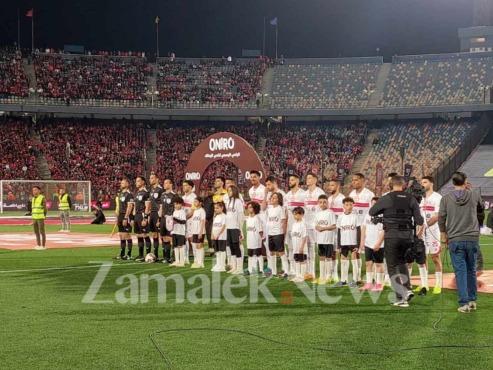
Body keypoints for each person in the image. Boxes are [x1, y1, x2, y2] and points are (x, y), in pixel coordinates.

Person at [369, 175, 423, 308]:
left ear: (391, 185)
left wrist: (386, 213)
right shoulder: (411, 199)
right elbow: (420, 220)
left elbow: (372, 211)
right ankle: (408, 288)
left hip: (392, 235)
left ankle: (400, 295)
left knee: (392, 266)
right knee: (402, 261)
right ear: (404, 186)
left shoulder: (387, 197)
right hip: (407, 236)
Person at [438, 172, 482, 313]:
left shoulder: (446, 198)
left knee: (460, 271)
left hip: (455, 238)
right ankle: (472, 300)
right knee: (471, 270)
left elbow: (441, 219)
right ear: (465, 181)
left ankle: (464, 303)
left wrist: (444, 236)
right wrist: (470, 190)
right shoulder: (474, 195)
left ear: (453, 182)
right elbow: (480, 209)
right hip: (472, 238)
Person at [413, 176, 443, 295]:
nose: (422, 184)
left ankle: (438, 284)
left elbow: (437, 216)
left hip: (433, 230)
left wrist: (424, 226)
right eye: (421, 182)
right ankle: (424, 284)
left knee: (435, 257)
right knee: (421, 257)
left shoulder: (437, 197)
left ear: (432, 183)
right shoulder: (419, 198)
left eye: (425, 182)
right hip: (421, 231)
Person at [349, 173, 375, 283]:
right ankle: (356, 277)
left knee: (369, 252)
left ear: (362, 180)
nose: (353, 182)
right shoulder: (351, 194)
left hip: (365, 228)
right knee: (354, 252)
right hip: (354, 228)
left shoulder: (369, 194)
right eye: (353, 180)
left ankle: (372, 276)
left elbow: (373, 212)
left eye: (356, 180)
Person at [359, 197, 385, 291]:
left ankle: (379, 284)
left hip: (379, 244)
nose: (374, 205)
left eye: (376, 203)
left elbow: (384, 230)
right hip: (368, 243)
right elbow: (364, 228)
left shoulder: (383, 215)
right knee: (368, 263)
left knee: (379, 264)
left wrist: (378, 243)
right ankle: (369, 283)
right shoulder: (368, 214)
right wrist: (362, 242)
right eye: (373, 203)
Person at [303, 172, 326, 279]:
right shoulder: (305, 193)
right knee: (309, 248)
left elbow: (323, 208)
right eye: (307, 178)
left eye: (310, 178)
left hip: (317, 225)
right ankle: (310, 272)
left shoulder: (319, 192)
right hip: (307, 225)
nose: (307, 179)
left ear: (315, 180)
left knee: (320, 248)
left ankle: (325, 272)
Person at [335, 197, 361, 287]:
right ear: (344, 205)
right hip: (343, 242)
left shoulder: (355, 217)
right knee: (343, 261)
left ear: (353, 205)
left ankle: (355, 280)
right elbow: (338, 232)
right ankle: (343, 280)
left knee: (354, 260)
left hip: (353, 242)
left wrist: (357, 244)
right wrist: (338, 245)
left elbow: (358, 231)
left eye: (351, 205)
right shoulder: (340, 217)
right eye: (347, 205)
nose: (349, 206)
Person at [313, 194, 337, 285]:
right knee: (321, 257)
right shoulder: (318, 214)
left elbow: (334, 226)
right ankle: (321, 276)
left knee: (328, 257)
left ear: (327, 203)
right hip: (320, 239)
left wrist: (322, 228)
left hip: (328, 239)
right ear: (318, 203)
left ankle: (328, 276)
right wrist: (317, 227)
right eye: (320, 202)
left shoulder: (330, 213)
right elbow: (316, 225)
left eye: (324, 202)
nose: (322, 204)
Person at [286, 174, 306, 276]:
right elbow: (286, 211)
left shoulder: (303, 194)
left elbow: (304, 211)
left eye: (292, 180)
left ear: (297, 181)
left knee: (300, 247)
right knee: (290, 247)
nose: (290, 182)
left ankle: (302, 270)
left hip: (299, 226)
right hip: (290, 226)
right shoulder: (288, 194)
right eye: (290, 180)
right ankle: (292, 268)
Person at [327, 179, 345, 283]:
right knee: (333, 251)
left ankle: (342, 273)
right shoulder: (329, 199)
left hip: (340, 229)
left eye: (332, 185)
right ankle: (334, 273)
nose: (330, 187)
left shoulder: (342, 198)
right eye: (329, 185)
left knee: (340, 251)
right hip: (331, 229)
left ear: (338, 186)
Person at [225, 185, 245, 274]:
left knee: (236, 247)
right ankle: (234, 266)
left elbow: (241, 216)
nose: (228, 192)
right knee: (231, 247)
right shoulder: (229, 202)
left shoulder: (238, 202)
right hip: (228, 227)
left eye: (230, 191)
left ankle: (239, 268)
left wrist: (240, 229)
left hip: (235, 227)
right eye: (228, 191)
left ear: (234, 191)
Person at [158, 178, 179, 263]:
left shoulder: (174, 195)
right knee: (163, 237)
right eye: (164, 183)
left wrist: (174, 218)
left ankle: (173, 256)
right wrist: (159, 219)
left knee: (171, 238)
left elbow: (176, 208)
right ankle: (165, 256)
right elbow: (161, 207)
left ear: (171, 185)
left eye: (167, 183)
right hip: (163, 218)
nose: (164, 184)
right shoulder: (162, 195)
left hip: (170, 219)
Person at [114, 178, 134, 260]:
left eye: (123, 183)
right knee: (121, 235)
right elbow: (118, 206)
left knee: (127, 235)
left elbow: (130, 207)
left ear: (127, 184)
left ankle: (129, 254)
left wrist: (126, 217)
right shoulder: (120, 194)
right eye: (121, 183)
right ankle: (122, 253)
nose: (121, 184)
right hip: (121, 215)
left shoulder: (129, 194)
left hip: (127, 215)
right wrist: (117, 217)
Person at [133, 176, 151, 262]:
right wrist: (133, 218)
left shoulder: (146, 192)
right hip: (137, 215)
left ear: (143, 182)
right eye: (136, 181)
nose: (137, 183)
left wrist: (145, 218)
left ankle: (148, 255)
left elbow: (147, 206)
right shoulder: (136, 193)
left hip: (142, 215)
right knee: (138, 235)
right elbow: (135, 206)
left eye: (138, 181)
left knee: (145, 235)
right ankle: (140, 255)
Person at [245, 201, 264, 275]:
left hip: (256, 240)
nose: (248, 209)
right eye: (248, 207)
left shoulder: (257, 218)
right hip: (249, 240)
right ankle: (250, 270)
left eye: (250, 207)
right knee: (250, 255)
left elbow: (260, 231)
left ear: (255, 209)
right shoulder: (248, 219)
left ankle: (261, 270)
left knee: (258, 254)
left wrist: (260, 239)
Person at [149, 174, 164, 260]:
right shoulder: (152, 190)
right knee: (154, 234)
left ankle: (166, 254)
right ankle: (156, 255)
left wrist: (160, 216)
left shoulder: (161, 190)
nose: (150, 180)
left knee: (161, 235)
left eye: (152, 178)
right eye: (150, 178)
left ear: (157, 179)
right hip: (152, 213)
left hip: (158, 213)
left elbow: (162, 204)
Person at [290, 207, 308, 283]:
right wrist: (292, 244)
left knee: (302, 261)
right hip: (295, 246)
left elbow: (304, 237)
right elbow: (293, 235)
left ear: (301, 215)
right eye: (294, 214)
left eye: (296, 214)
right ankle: (297, 275)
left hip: (301, 247)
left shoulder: (303, 225)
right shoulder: (294, 224)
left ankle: (302, 276)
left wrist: (302, 247)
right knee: (297, 260)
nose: (295, 216)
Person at [182, 180, 197, 265]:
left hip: (191, 220)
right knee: (185, 238)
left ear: (191, 187)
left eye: (186, 185)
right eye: (183, 185)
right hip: (184, 220)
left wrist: (184, 218)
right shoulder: (183, 198)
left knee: (191, 238)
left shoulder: (194, 197)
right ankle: (185, 257)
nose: (184, 187)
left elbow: (192, 212)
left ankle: (196, 258)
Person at [170, 197, 187, 267]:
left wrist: (175, 220)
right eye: (174, 204)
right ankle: (177, 261)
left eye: (177, 204)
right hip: (174, 231)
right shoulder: (174, 211)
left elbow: (183, 221)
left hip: (180, 232)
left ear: (181, 204)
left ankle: (182, 262)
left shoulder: (182, 212)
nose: (175, 206)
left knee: (180, 246)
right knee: (175, 246)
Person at [211, 202, 227, 272]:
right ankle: (218, 264)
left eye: (217, 208)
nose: (215, 209)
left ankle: (222, 265)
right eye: (215, 208)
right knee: (217, 251)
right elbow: (213, 226)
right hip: (215, 236)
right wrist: (212, 234)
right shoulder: (216, 216)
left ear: (222, 208)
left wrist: (217, 235)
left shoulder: (224, 216)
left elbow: (223, 226)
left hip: (221, 236)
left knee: (222, 250)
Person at [190, 197, 206, 269]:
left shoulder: (202, 211)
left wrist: (200, 232)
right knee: (196, 246)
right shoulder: (195, 211)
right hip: (195, 231)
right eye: (194, 201)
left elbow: (202, 221)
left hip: (200, 231)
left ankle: (201, 262)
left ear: (200, 203)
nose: (194, 203)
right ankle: (197, 261)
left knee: (200, 245)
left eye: (196, 201)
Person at [32, 186, 47, 250]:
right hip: (34, 217)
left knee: (42, 231)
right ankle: (38, 245)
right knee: (36, 232)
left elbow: (45, 208)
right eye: (33, 190)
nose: (34, 191)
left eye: (35, 190)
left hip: (40, 217)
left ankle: (43, 246)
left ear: (39, 191)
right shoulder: (33, 198)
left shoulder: (42, 198)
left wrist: (44, 216)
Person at [203, 186, 215, 254]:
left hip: (212, 218)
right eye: (207, 190)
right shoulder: (205, 199)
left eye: (210, 190)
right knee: (208, 233)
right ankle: (211, 247)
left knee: (211, 232)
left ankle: (213, 247)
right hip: (206, 219)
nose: (208, 191)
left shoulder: (215, 198)